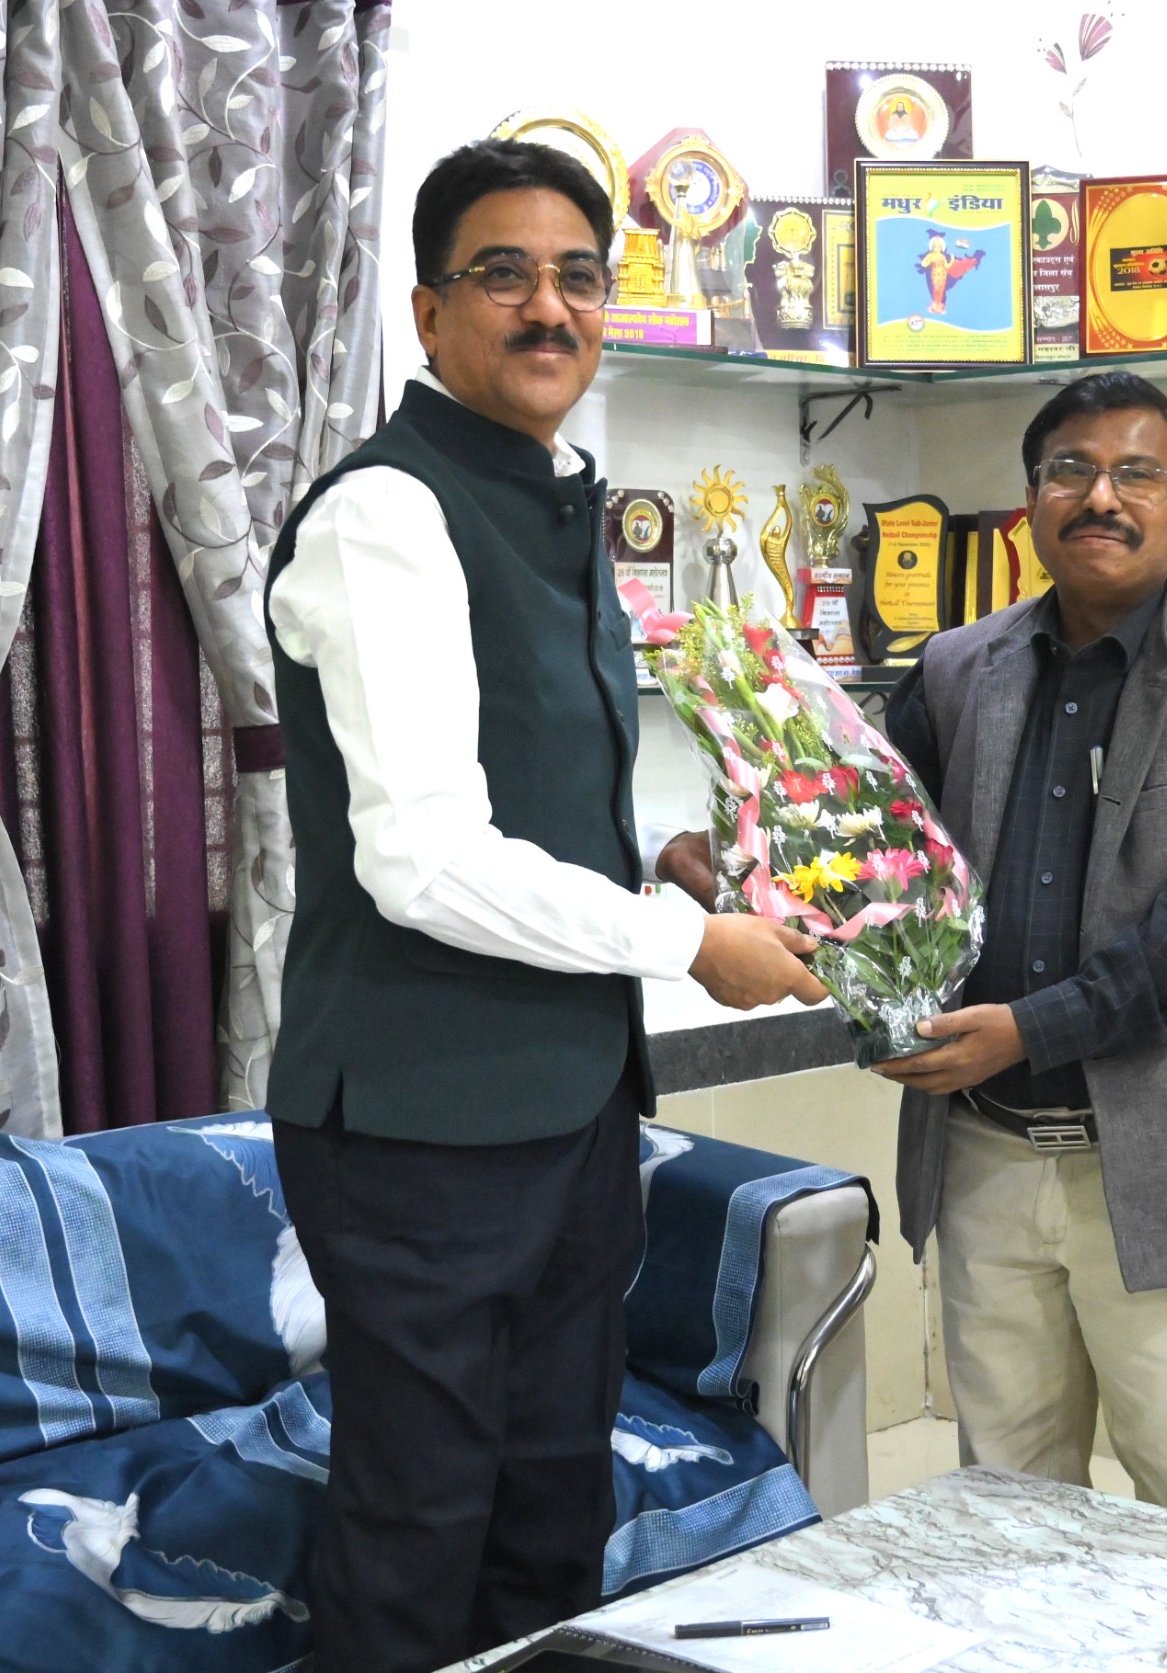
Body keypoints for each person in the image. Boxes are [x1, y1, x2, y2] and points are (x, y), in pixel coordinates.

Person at [263, 139, 825, 1673]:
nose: (548, 308)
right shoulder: (388, 513)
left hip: (572, 1105)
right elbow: (426, 859)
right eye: (503, 274)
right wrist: (689, 944)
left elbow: (520, 798)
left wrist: (660, 866)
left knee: (551, 1505)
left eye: (579, 276)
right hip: (418, 1124)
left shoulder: (558, 499)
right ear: (429, 312)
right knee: (419, 1522)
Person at [874, 371, 1167, 1522]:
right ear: (1029, 504)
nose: (1100, 496)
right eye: (1070, 471)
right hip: (983, 1152)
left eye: (1137, 473)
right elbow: (883, 866)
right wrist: (750, 875)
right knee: (1006, 1498)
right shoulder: (950, 670)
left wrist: (1029, 1029)